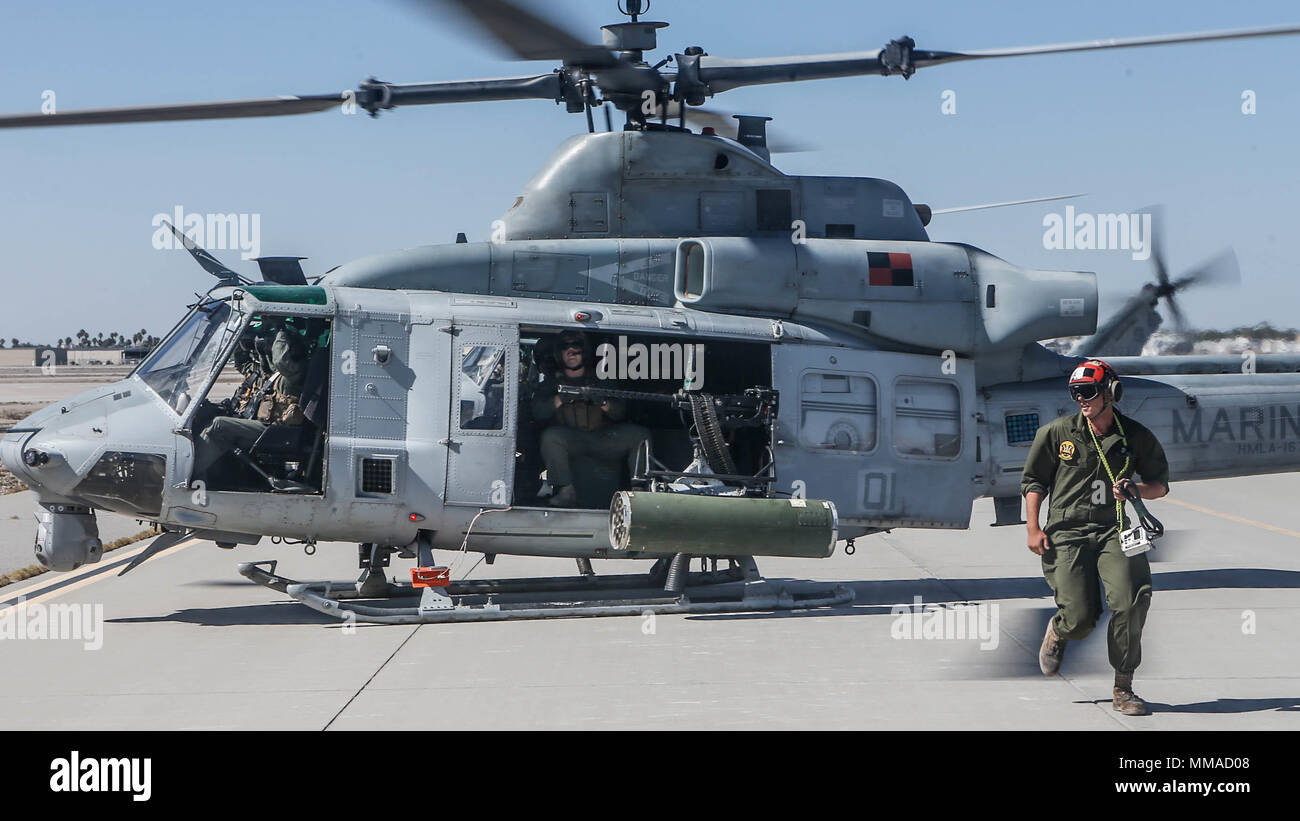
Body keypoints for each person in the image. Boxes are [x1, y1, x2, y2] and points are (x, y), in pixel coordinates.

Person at [1020, 359, 1170, 716]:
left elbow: (1160, 486)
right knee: (1080, 618)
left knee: (1133, 600)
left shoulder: (1135, 436)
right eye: (1075, 393)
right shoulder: (1057, 434)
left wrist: (1136, 488)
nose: (1081, 400)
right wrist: (1033, 528)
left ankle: (1124, 687)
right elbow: (1033, 482)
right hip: (1067, 532)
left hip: (1115, 529)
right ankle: (1059, 631)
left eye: (1087, 392)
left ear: (1111, 392)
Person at [531, 331, 650, 508]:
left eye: (576, 346)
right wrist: (559, 399)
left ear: (584, 351)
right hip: (571, 440)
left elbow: (620, 413)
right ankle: (566, 491)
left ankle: (639, 490)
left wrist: (600, 400)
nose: (571, 351)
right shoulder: (550, 384)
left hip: (602, 438)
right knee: (551, 436)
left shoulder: (601, 380)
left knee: (640, 435)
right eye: (565, 347)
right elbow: (538, 414)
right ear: (559, 353)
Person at [193, 318, 310, 483]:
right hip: (267, 429)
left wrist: (280, 330)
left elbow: (280, 361)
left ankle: (188, 474)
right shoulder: (273, 375)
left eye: (275, 344)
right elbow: (249, 366)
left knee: (218, 426)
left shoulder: (293, 376)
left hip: (275, 432)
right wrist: (250, 341)